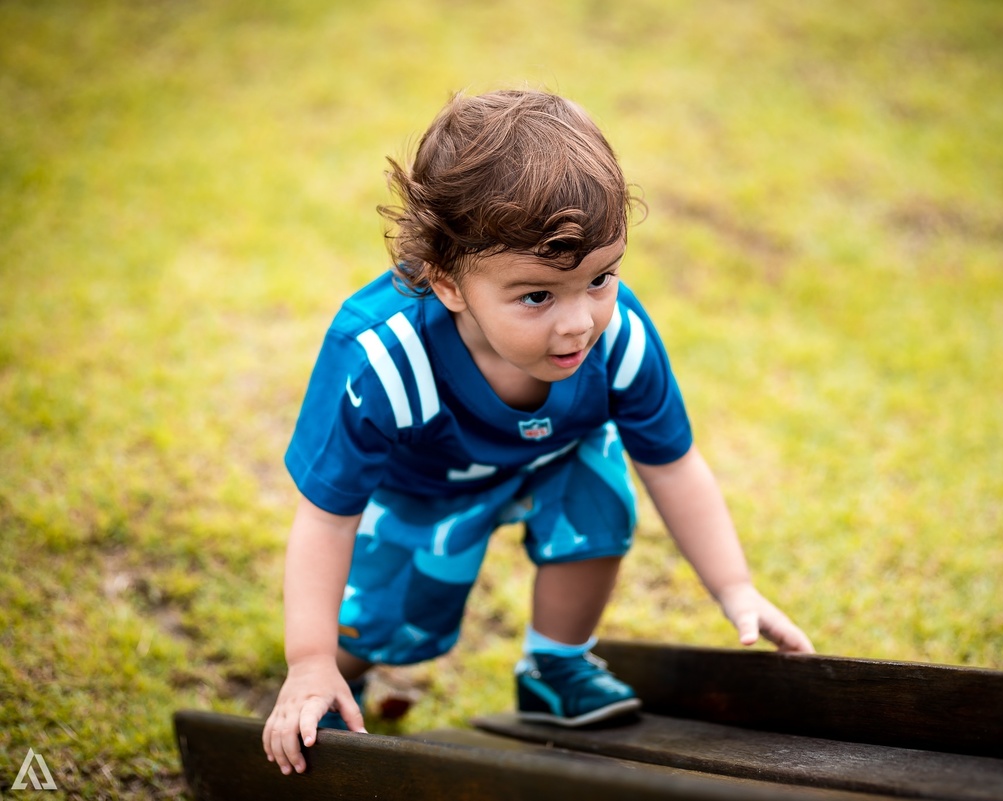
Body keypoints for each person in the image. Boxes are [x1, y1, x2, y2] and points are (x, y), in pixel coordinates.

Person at [262, 88, 815, 775]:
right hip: (425, 490)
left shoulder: (620, 343)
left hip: (551, 459)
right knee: (392, 620)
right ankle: (332, 677)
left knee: (599, 488)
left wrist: (736, 588)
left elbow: (672, 464)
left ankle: (555, 664)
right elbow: (327, 518)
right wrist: (309, 658)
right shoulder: (382, 358)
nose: (579, 321)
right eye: (536, 296)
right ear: (449, 284)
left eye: (600, 278)